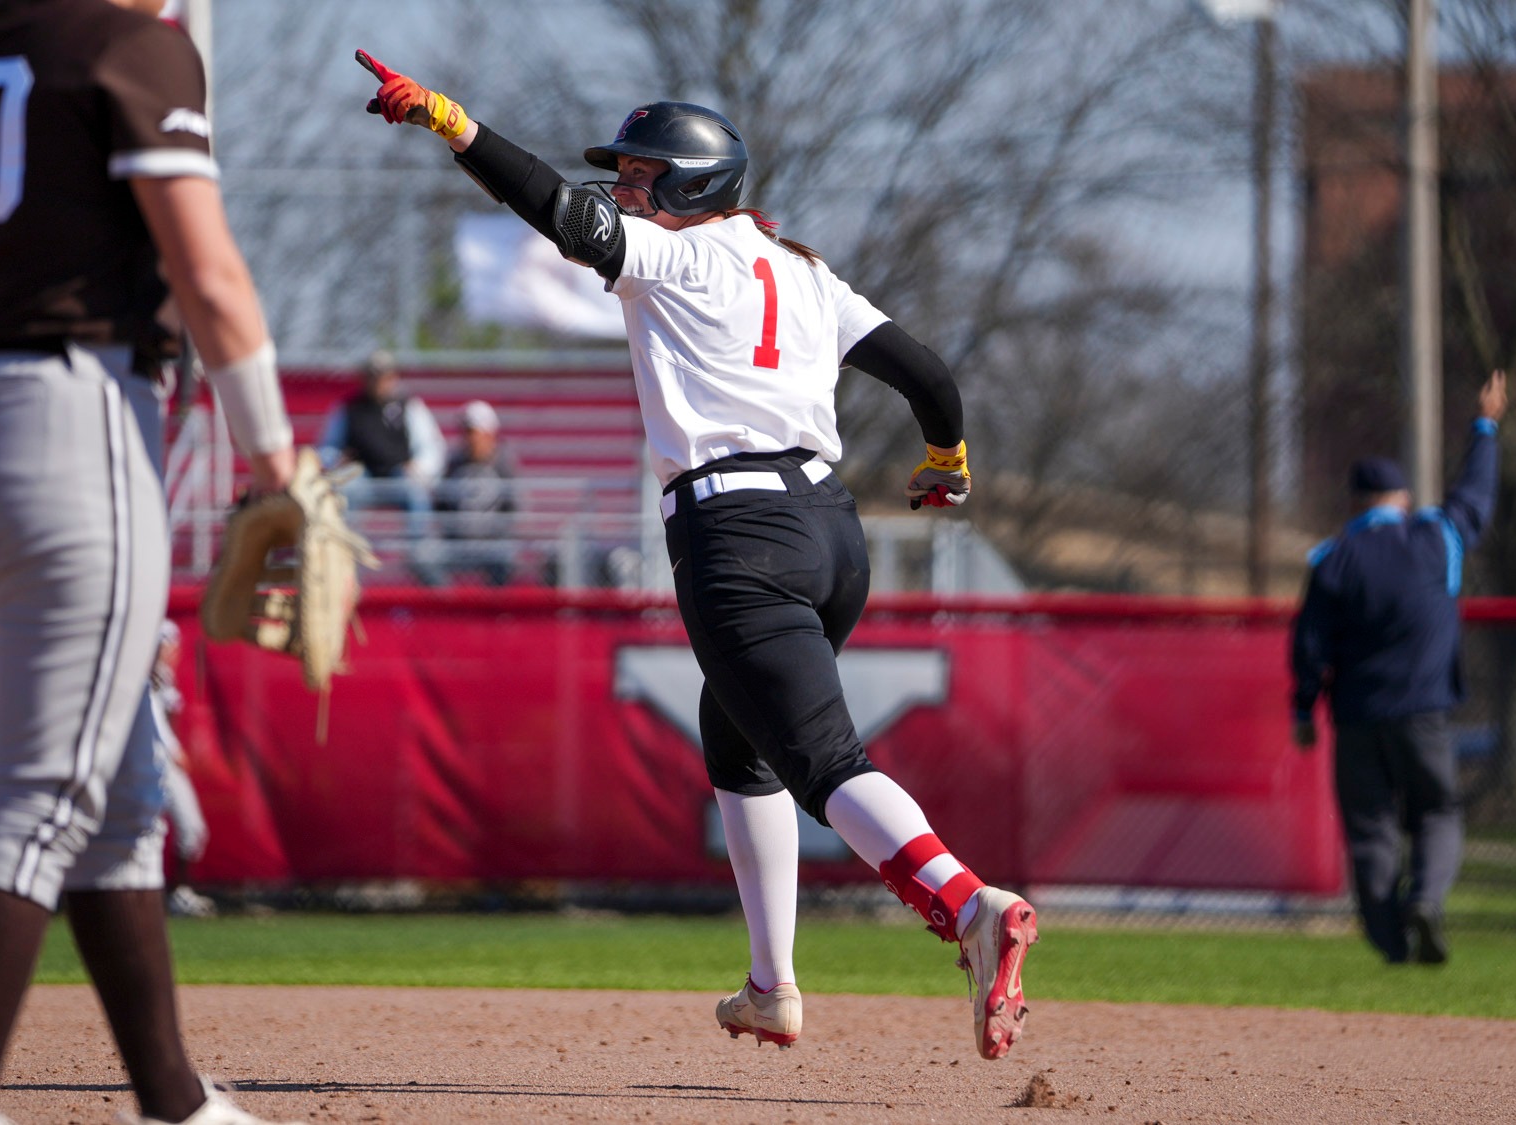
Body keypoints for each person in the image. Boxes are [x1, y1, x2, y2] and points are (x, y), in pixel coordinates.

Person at [358, 56, 1038, 1059]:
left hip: (738, 537)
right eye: (624, 174)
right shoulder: (804, 272)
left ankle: (966, 903)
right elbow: (927, 375)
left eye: (639, 176)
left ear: (691, 187)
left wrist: (456, 126)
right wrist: (946, 463)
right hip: (827, 532)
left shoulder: (672, 256)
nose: (621, 190)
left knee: (821, 762)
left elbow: (557, 212)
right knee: (740, 741)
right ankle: (772, 988)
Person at [0, 2, 301, 1123]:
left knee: (113, 792)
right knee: (46, 799)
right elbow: (210, 278)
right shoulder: (126, 43)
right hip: (69, 424)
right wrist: (274, 463)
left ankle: (174, 1100)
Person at [1291, 371, 1508, 966]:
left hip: (1358, 718)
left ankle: (1389, 940)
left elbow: (1309, 642)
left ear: (1356, 504)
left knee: (1370, 828)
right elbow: (1476, 498)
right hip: (1425, 714)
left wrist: (1303, 708)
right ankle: (1427, 900)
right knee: (1437, 811)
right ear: (1402, 501)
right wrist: (1485, 427)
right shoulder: (1437, 537)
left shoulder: (1334, 558)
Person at [316, 349, 445, 517]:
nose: (378, 382)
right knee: (344, 493)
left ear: (393, 377)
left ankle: (417, 544)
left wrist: (419, 467)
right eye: (373, 376)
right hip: (360, 476)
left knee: (416, 493)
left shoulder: (410, 407)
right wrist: (336, 460)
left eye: (384, 376)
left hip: (399, 476)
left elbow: (429, 446)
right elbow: (326, 448)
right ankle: (349, 543)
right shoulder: (348, 409)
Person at [148, 621, 216, 918]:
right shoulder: (147, 679)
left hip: (161, 763)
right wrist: (175, 751)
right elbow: (152, 719)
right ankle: (173, 894)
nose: (173, 651)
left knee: (185, 829)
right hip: (156, 764)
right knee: (179, 827)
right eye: (167, 644)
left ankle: (175, 893)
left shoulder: (165, 678)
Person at [433, 399, 517, 585]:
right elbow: (440, 504)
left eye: (472, 432)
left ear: (489, 433)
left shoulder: (504, 465)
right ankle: (448, 605)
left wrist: (494, 532)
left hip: (491, 544)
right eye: (465, 432)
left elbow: (514, 508)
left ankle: (496, 611)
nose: (468, 439)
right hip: (455, 544)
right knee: (423, 556)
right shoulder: (453, 464)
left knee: (507, 557)